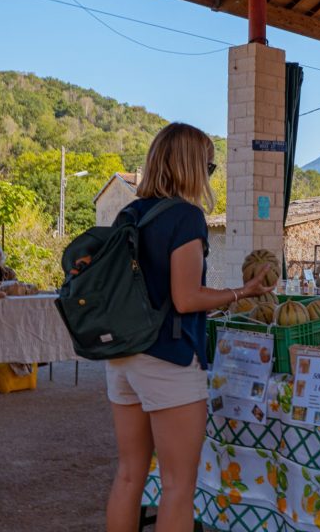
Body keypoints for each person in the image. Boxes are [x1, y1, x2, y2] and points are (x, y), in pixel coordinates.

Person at [105, 123, 274, 532]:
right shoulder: (186, 216)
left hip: (122, 356)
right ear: (190, 166)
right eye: (209, 165)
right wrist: (241, 292)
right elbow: (186, 298)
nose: (210, 173)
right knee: (178, 485)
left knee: (129, 475)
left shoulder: (130, 212)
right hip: (168, 356)